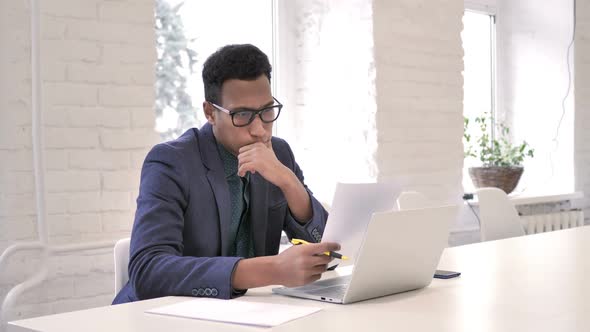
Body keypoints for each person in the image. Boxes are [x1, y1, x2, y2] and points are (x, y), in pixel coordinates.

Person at [113, 44, 338, 304]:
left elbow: (327, 248)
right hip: (165, 315)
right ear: (210, 112)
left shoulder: (278, 153)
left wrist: (288, 181)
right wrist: (271, 270)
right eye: (242, 115)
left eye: (266, 111)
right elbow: (148, 271)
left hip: (250, 313)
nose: (259, 129)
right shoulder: (171, 162)